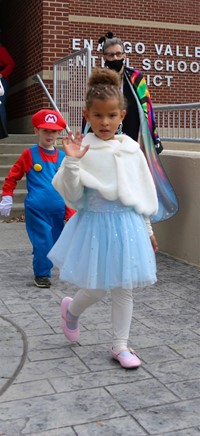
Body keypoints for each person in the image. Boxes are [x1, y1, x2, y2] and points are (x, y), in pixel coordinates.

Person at [48, 68, 158, 369]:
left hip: (128, 226)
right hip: (95, 225)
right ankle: (71, 310)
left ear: (122, 114)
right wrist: (71, 161)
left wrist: (147, 229)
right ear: (87, 114)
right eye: (98, 116)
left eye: (111, 116)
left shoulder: (131, 149)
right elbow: (71, 193)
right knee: (96, 287)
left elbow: (140, 193)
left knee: (124, 287)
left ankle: (121, 345)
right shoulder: (82, 148)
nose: (105, 122)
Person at [82, 34, 179, 223]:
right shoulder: (99, 79)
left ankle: (140, 220)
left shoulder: (136, 77)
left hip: (133, 133)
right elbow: (91, 109)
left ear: (125, 55)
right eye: (110, 55)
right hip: (106, 134)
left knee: (134, 176)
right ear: (104, 57)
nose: (115, 59)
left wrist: (154, 137)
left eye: (119, 54)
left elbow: (147, 107)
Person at [0, 109, 76, 288]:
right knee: (44, 242)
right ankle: (42, 274)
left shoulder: (64, 157)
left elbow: (69, 186)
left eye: (54, 131)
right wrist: (7, 196)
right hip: (36, 210)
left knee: (54, 243)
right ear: (37, 131)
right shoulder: (29, 154)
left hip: (58, 210)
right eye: (45, 130)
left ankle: (42, 256)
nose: (49, 135)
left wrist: (71, 211)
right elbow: (12, 176)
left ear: (59, 133)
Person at [0, 32, 15, 139]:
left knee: (0, 105)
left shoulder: (1, 50)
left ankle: (2, 131)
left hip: (1, 81)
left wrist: (1, 74)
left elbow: (11, 64)